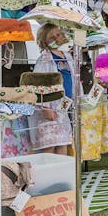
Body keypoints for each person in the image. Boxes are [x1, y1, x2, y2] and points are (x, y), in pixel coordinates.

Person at [27, 23, 73, 155]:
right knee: (50, 141)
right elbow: (39, 83)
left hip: (64, 105)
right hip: (50, 106)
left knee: (63, 141)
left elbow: (73, 77)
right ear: (44, 41)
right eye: (51, 37)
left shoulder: (67, 56)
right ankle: (47, 170)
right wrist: (45, 107)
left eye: (57, 35)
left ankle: (60, 171)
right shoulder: (45, 59)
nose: (56, 39)